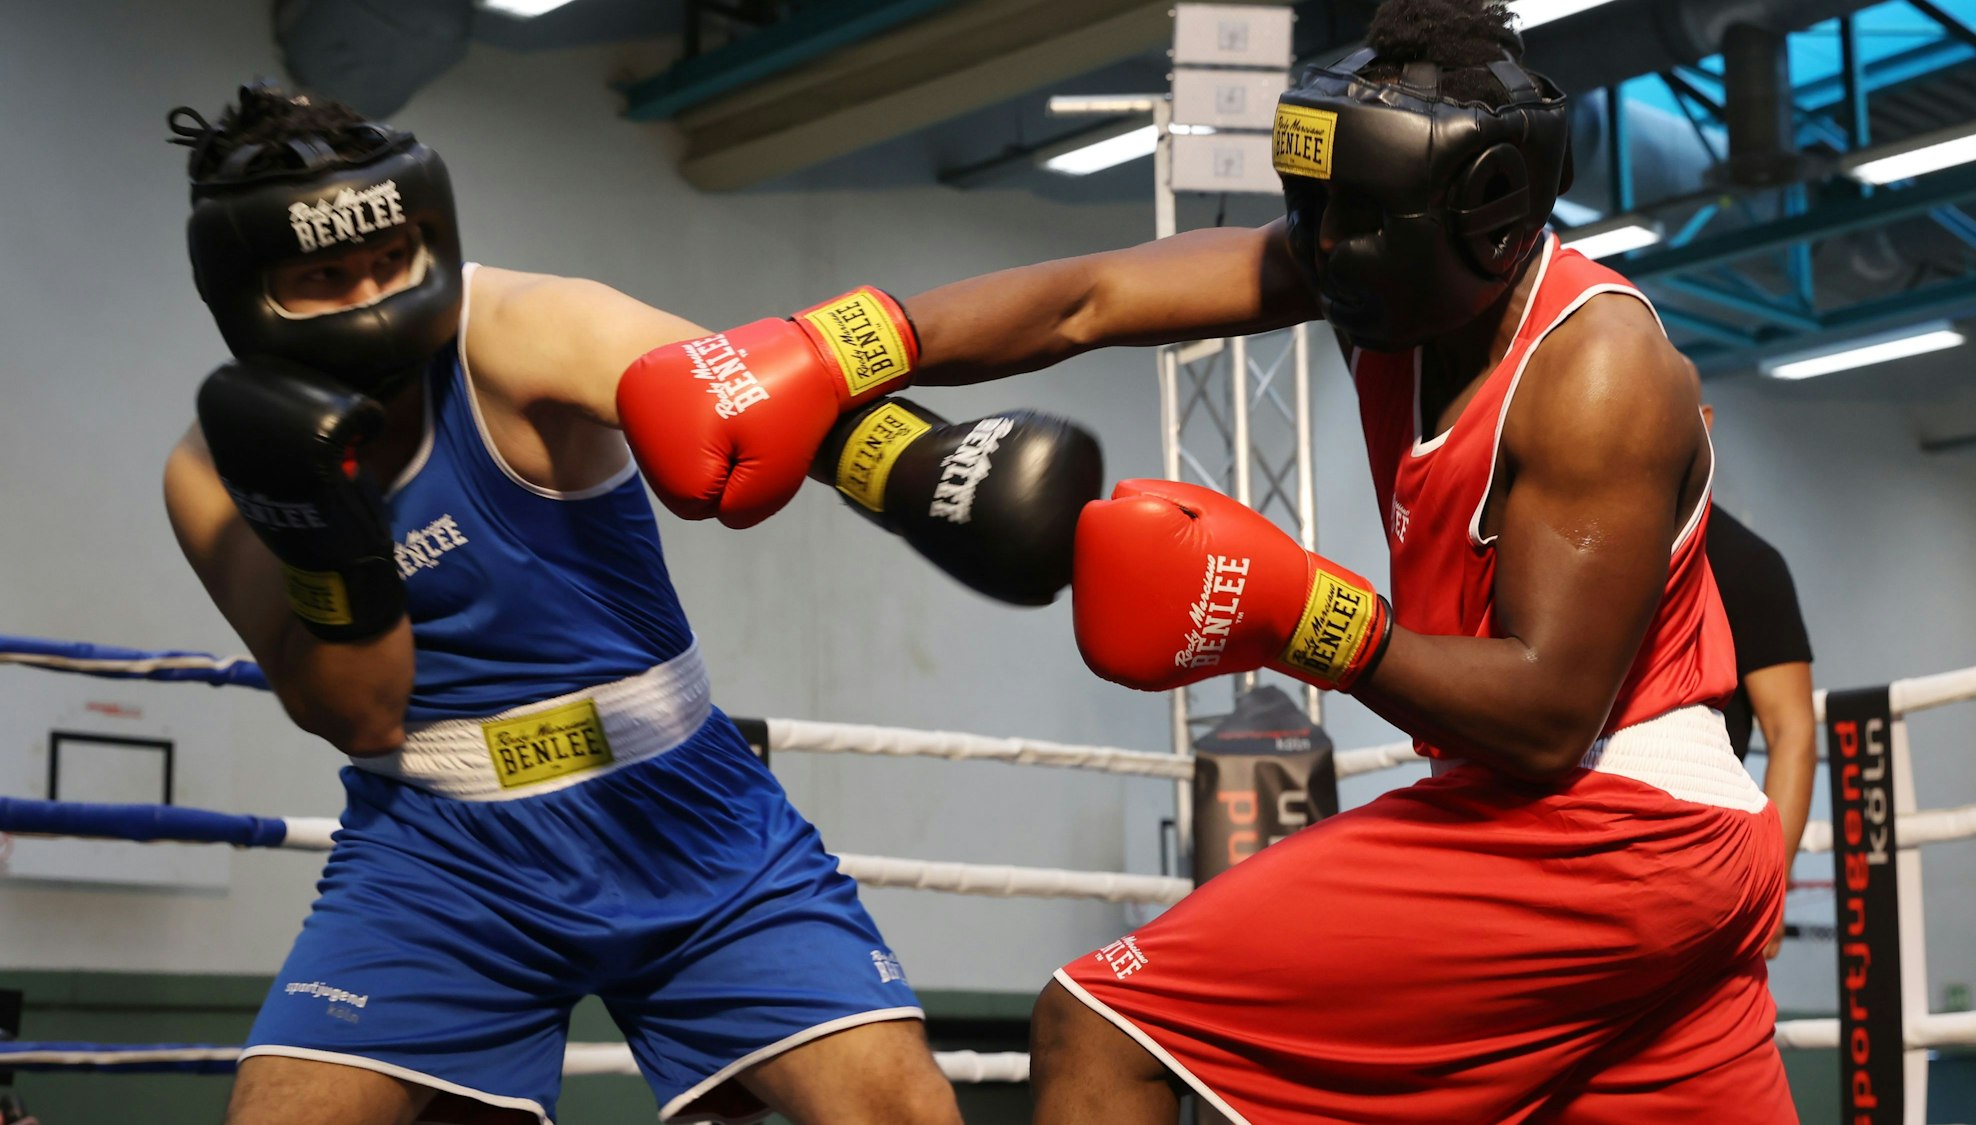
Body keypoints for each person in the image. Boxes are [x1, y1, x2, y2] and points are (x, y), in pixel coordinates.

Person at [620, 0, 1797, 1120]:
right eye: (1313, 205)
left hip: (1612, 824)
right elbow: (1093, 297)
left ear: (1483, 211)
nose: (1325, 242)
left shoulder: (1596, 373)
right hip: (1646, 853)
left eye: (1359, 216)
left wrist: (1306, 617)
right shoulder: (1373, 266)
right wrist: (850, 347)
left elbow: (1545, 717)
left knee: (1100, 1025)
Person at [161, 82, 1091, 1125]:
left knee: (898, 1111)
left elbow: (744, 389)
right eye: (327, 277)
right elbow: (360, 711)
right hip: (438, 852)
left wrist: (914, 464)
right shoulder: (213, 475)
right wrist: (327, 535)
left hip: (686, 810)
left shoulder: (519, 327)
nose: (374, 293)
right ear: (250, 290)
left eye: (390, 258)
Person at [1699, 395, 1818, 959]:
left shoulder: (1746, 564)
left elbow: (1792, 732)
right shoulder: (1584, 547)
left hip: (1705, 859)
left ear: (1703, 421)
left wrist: (1772, 883)